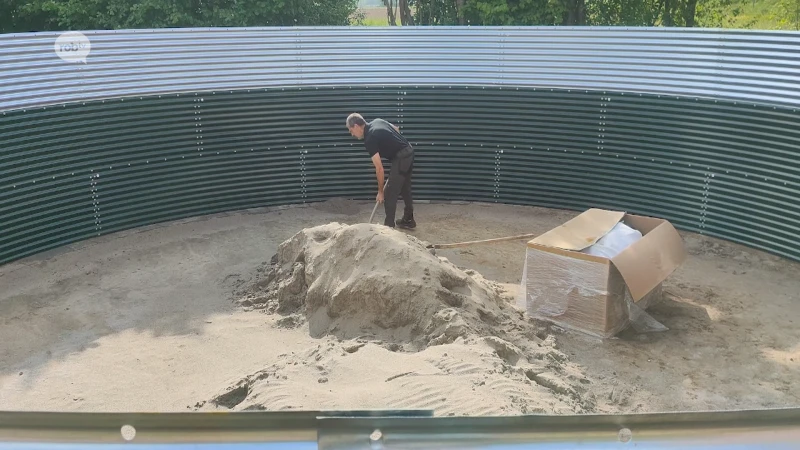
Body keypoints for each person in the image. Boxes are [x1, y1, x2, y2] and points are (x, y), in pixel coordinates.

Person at [346, 113, 416, 229]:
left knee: (389, 193)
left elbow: (379, 168)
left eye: (351, 130)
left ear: (357, 126)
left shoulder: (369, 139)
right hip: (409, 151)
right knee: (405, 188)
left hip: (402, 157)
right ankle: (408, 220)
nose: (351, 134)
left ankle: (388, 228)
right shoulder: (377, 121)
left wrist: (380, 192)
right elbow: (396, 129)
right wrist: (395, 147)